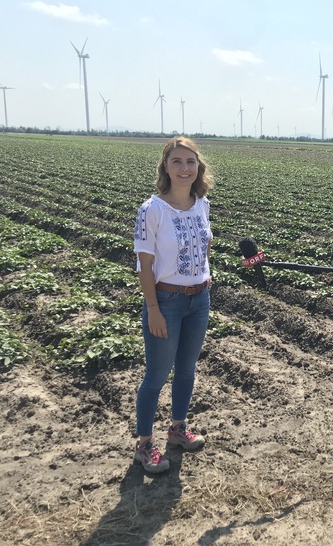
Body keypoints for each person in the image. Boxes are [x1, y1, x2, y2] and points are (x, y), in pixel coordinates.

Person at [132, 136, 214, 473]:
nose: (184, 168)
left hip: (199, 298)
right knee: (156, 375)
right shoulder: (152, 210)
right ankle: (144, 445)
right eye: (177, 162)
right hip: (166, 301)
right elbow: (144, 265)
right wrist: (153, 308)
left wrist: (205, 277)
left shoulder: (202, 204)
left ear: (199, 167)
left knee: (187, 369)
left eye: (190, 162)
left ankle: (178, 428)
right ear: (165, 167)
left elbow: (205, 247)